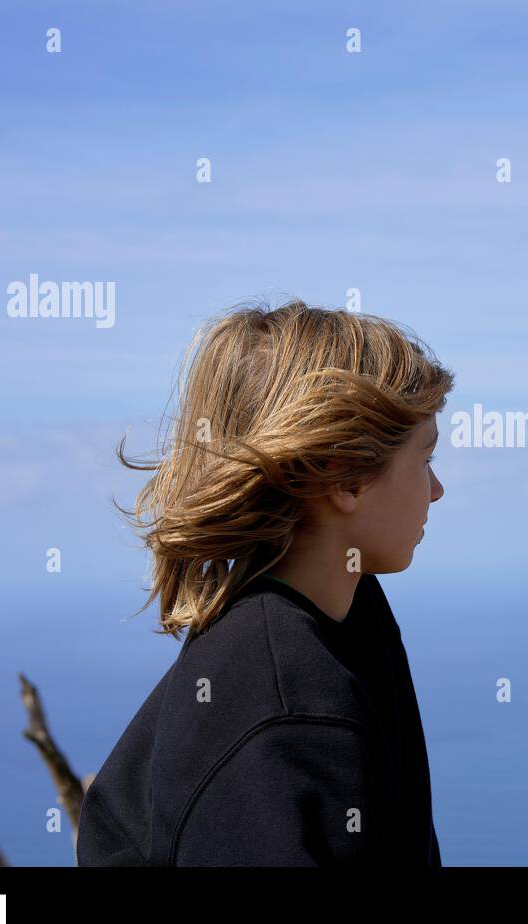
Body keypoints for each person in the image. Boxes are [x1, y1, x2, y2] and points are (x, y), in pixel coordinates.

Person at [76, 298, 453, 866]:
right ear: (344, 476)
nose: (437, 490)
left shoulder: (345, 614)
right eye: (425, 459)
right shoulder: (280, 715)